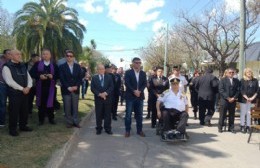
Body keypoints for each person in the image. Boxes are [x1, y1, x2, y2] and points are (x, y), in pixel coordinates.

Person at [2, 49, 33, 136]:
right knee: (14, 111)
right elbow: (9, 81)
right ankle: (12, 129)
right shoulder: (6, 67)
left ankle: (23, 126)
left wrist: (28, 87)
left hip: (25, 92)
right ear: (11, 56)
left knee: (24, 110)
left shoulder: (23, 65)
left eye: (20, 54)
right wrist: (22, 88)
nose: (19, 56)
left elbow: (29, 77)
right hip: (14, 93)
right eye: (17, 54)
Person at [30, 49, 59, 125]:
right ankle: (41, 120)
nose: (45, 55)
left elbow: (58, 75)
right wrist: (39, 76)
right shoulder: (37, 64)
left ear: (50, 55)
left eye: (47, 54)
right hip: (40, 88)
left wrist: (52, 76)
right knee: (41, 104)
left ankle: (51, 119)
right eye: (43, 54)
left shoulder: (54, 65)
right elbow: (31, 73)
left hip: (51, 88)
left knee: (51, 104)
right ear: (41, 55)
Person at [124, 57, 147, 137]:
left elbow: (144, 83)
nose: (138, 64)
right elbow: (127, 83)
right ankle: (127, 131)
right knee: (128, 115)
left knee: (139, 115)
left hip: (140, 97)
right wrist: (134, 91)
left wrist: (139, 91)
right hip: (130, 96)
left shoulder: (143, 73)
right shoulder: (128, 73)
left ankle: (139, 130)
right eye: (136, 62)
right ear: (133, 63)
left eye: (139, 63)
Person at [59, 50, 82, 128]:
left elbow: (80, 78)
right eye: (67, 56)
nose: (69, 57)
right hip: (66, 90)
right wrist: (68, 87)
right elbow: (62, 78)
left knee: (75, 106)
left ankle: (75, 122)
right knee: (67, 106)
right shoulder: (62, 67)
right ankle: (69, 122)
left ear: (73, 57)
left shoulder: (78, 66)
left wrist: (77, 86)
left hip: (76, 90)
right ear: (65, 57)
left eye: (71, 56)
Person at [91, 64, 114, 135]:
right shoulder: (94, 78)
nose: (101, 70)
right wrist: (99, 94)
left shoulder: (109, 77)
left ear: (104, 70)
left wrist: (105, 93)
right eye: (99, 69)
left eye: (102, 69)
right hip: (98, 99)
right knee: (98, 114)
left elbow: (111, 87)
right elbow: (92, 88)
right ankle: (99, 128)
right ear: (97, 70)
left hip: (108, 99)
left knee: (108, 115)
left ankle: (107, 128)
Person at [218, 68, 240, 133]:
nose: (231, 73)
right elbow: (221, 90)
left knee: (231, 115)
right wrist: (228, 98)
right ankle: (220, 127)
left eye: (232, 72)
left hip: (233, 101)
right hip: (224, 100)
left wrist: (234, 98)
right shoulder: (223, 80)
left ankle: (231, 128)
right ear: (227, 73)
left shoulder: (236, 81)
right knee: (222, 115)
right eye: (230, 72)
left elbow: (238, 90)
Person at [239, 68, 259, 133]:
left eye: (250, 71)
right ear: (245, 73)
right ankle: (242, 126)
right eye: (247, 72)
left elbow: (257, 90)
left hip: (252, 99)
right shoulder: (242, 80)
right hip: (244, 99)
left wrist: (252, 98)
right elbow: (241, 90)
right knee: (243, 113)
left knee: (249, 113)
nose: (249, 73)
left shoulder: (255, 80)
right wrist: (247, 98)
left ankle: (248, 126)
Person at [0, 49, 11, 127]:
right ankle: (2, 122)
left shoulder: (13, 62)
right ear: (4, 54)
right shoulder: (0, 62)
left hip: (12, 86)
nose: (10, 54)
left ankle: (13, 120)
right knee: (2, 103)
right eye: (8, 53)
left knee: (13, 103)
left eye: (11, 53)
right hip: (2, 85)